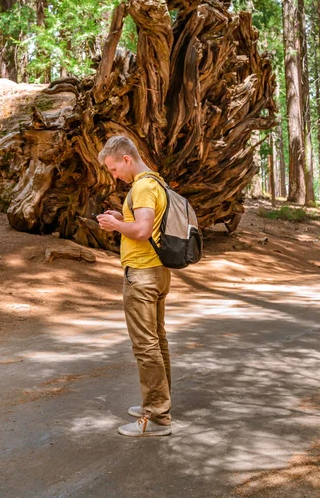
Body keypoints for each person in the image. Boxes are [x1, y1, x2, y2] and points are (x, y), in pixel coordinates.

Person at [97, 135, 172, 437]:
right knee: (158, 342)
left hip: (141, 275)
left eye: (114, 169)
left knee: (145, 347)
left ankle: (156, 419)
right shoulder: (155, 182)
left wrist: (116, 225)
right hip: (157, 271)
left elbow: (142, 230)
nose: (114, 175)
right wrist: (121, 216)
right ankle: (159, 405)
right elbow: (144, 223)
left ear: (126, 160)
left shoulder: (141, 187)